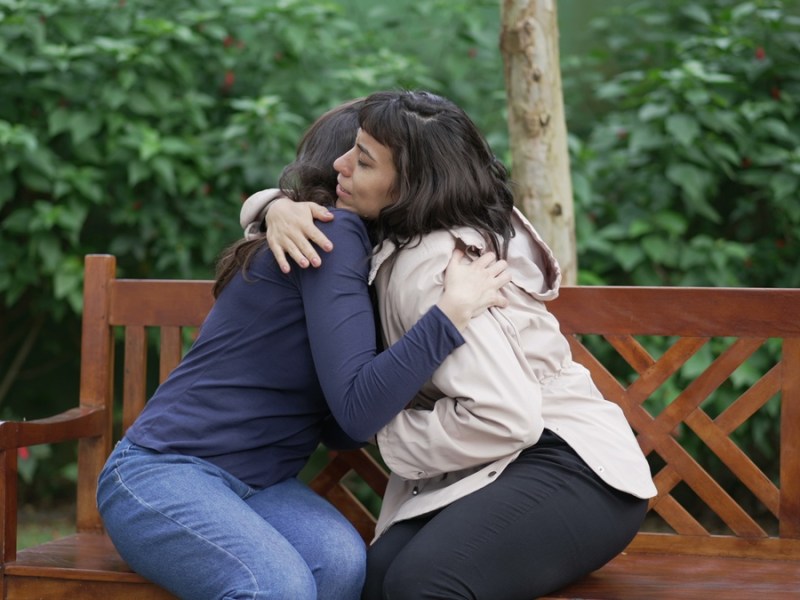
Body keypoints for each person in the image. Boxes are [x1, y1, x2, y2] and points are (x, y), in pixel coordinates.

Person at [96, 99, 512, 600]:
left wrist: (272, 204)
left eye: (364, 160)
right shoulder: (330, 236)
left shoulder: (360, 257)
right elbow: (356, 417)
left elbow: (338, 427)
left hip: (259, 486)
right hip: (162, 472)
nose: (347, 168)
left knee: (340, 564)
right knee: (276, 586)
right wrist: (448, 317)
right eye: (351, 155)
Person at [257, 90, 658, 600]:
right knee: (377, 580)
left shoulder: (433, 265)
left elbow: (507, 416)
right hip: (502, 464)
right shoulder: (395, 238)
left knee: (419, 585)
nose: (341, 165)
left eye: (362, 160)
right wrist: (276, 207)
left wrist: (384, 430)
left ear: (410, 185)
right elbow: (299, 218)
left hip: (576, 468)